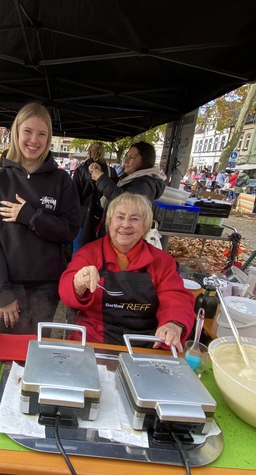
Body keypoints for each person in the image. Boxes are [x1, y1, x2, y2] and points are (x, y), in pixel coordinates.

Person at [0, 102, 80, 334]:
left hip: (46, 287)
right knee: (5, 357)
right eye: (28, 131)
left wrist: (30, 217)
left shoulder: (61, 180)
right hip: (9, 285)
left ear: (49, 138)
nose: (34, 140)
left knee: (34, 354)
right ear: (16, 132)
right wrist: (2, 293)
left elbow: (69, 231)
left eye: (41, 134)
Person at [60, 192, 194, 347]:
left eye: (134, 219)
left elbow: (176, 297)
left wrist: (173, 324)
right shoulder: (90, 253)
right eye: (120, 217)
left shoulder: (161, 261)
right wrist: (77, 284)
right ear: (109, 223)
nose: (126, 224)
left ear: (145, 226)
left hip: (145, 344)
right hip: (94, 341)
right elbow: (66, 290)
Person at [88, 141, 165, 237]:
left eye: (132, 157)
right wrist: (99, 173)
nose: (126, 160)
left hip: (124, 235)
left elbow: (126, 201)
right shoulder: (128, 178)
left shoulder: (145, 183)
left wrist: (101, 179)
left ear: (145, 160)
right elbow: (114, 187)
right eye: (126, 156)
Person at [72, 141, 118, 253]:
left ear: (90, 153)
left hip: (83, 217)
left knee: (79, 250)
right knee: (99, 252)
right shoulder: (111, 172)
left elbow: (74, 197)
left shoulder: (81, 171)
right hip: (104, 218)